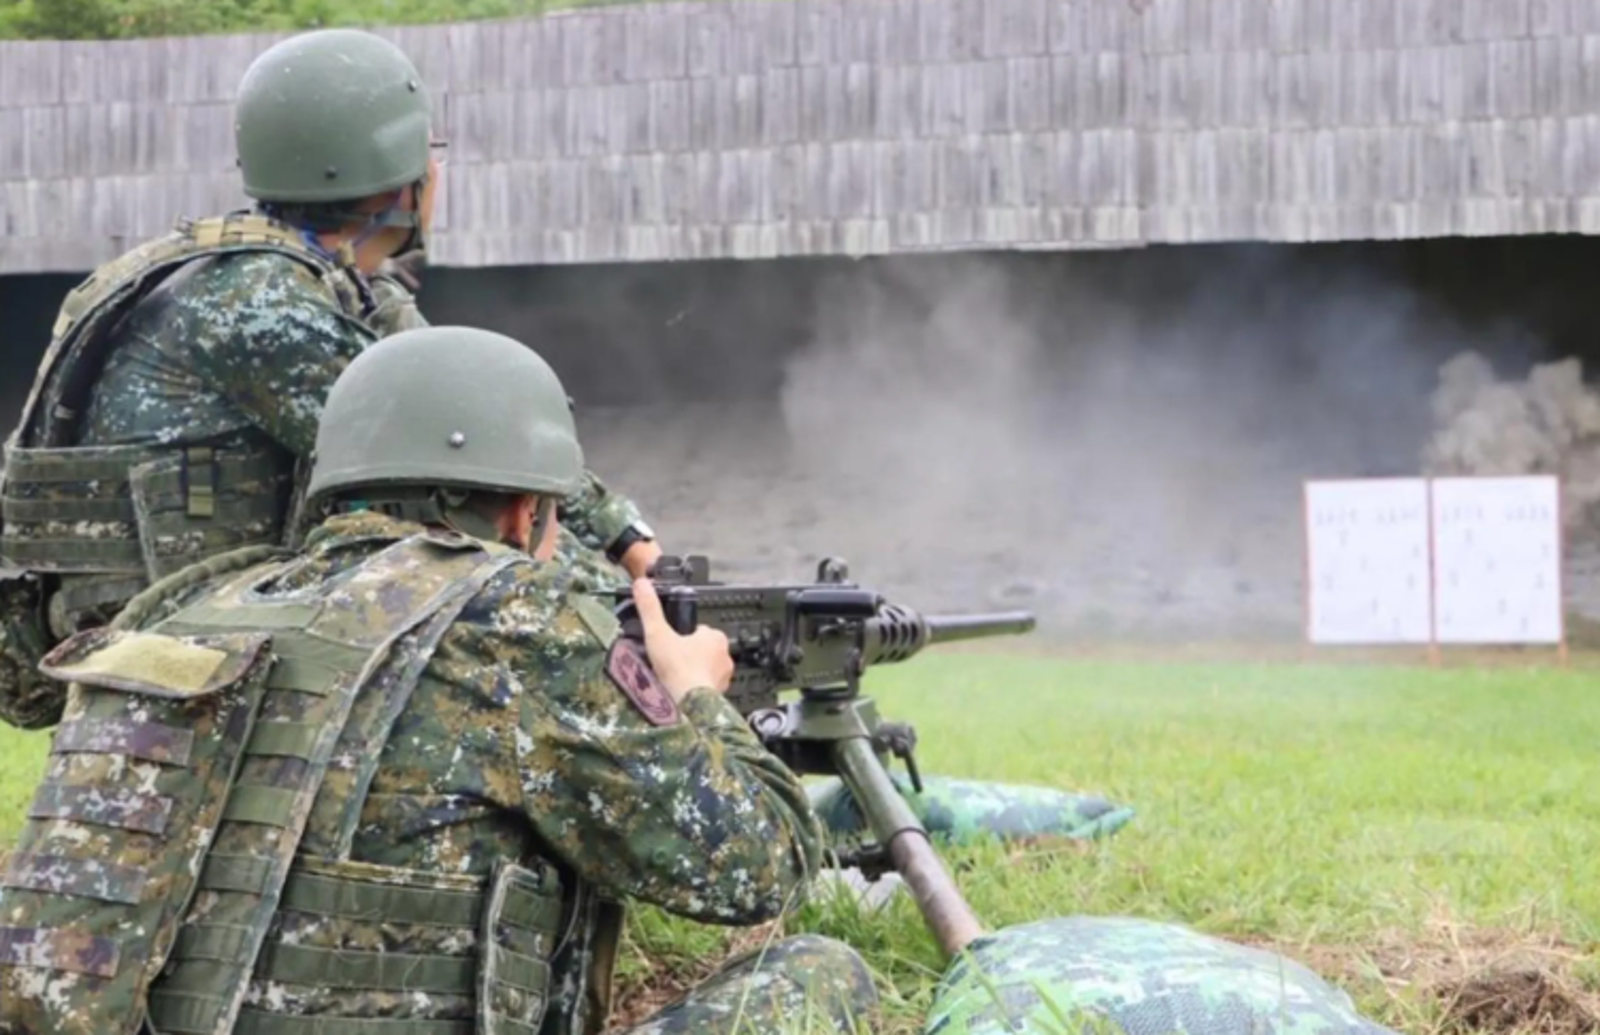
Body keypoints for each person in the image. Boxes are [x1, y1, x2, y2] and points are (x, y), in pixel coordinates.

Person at [0, 325, 878, 1035]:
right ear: (524, 512)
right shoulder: (514, 618)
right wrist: (697, 696)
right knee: (821, 972)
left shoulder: (190, 606)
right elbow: (760, 868)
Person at [0, 27, 661, 732]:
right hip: (174, 658)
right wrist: (629, 597)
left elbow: (483, 422)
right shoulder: (259, 305)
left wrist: (627, 540)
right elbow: (468, 462)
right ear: (400, 178)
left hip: (195, 640)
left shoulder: (297, 283)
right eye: (429, 154)